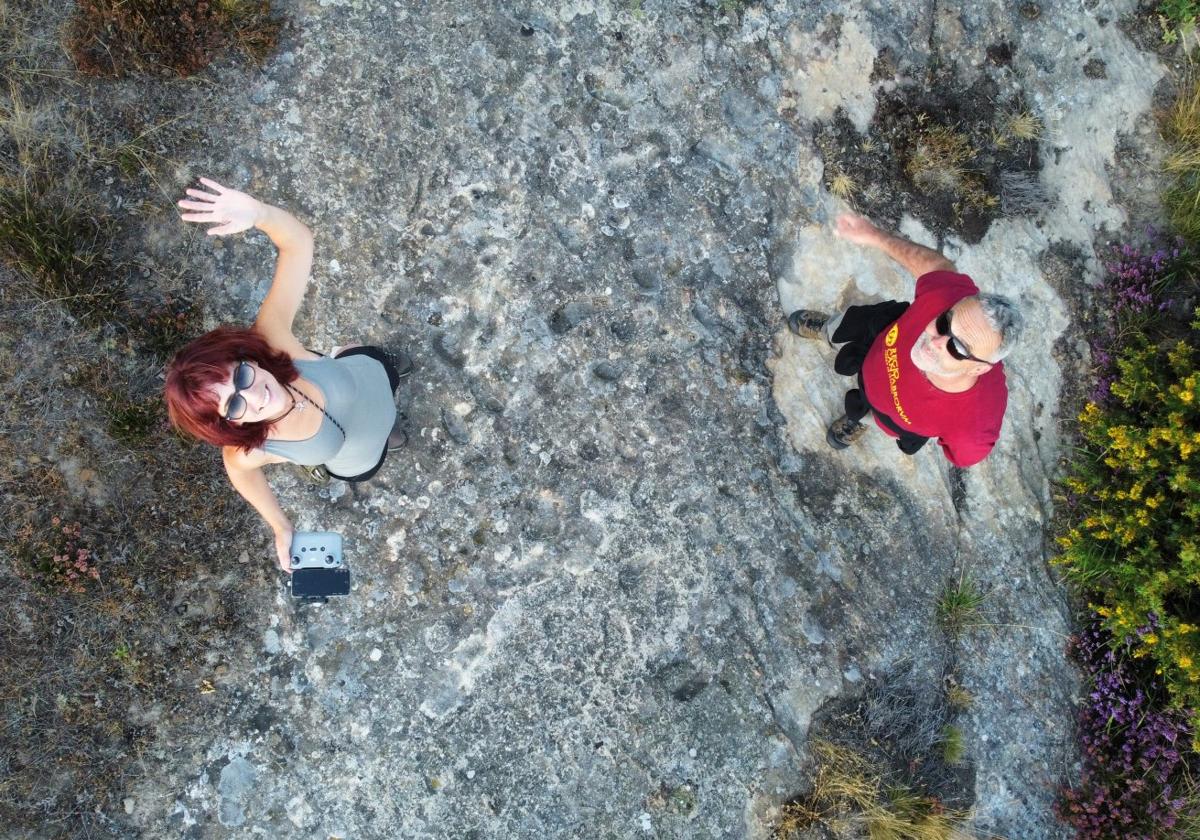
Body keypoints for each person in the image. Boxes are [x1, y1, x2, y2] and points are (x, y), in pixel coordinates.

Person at [164, 178, 411, 573]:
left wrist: (259, 213)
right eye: (235, 403)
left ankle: (372, 373)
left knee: (385, 367)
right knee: (381, 445)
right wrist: (280, 526)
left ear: (249, 359)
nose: (254, 394)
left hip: (371, 375)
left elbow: (298, 244)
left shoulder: (275, 343)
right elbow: (238, 471)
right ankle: (388, 436)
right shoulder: (255, 445)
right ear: (230, 424)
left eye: (241, 376)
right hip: (359, 460)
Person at [786, 213, 1023, 468]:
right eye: (944, 323)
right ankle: (827, 329)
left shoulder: (975, 426)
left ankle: (859, 419)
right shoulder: (951, 299)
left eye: (957, 347)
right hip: (876, 340)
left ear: (978, 368)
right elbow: (935, 266)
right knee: (842, 328)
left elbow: (963, 454)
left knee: (874, 417)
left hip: (894, 416)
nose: (935, 341)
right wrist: (875, 236)